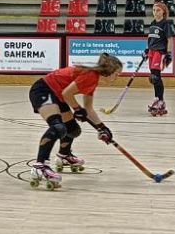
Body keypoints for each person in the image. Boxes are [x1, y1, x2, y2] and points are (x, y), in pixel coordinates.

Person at [27, 53, 123, 188]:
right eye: (117, 74)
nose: (117, 77)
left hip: (57, 95)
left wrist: (102, 128)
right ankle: (39, 166)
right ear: (109, 71)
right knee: (58, 127)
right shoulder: (90, 76)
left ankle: (63, 155)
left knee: (73, 130)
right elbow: (67, 93)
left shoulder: (93, 81)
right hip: (44, 90)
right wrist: (77, 109)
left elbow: (88, 109)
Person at [145, 1, 175, 117]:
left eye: (158, 10)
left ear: (163, 11)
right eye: (153, 10)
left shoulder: (166, 23)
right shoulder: (152, 23)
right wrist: (147, 49)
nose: (155, 12)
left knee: (156, 76)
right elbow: (150, 38)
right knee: (153, 77)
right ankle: (157, 99)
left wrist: (168, 53)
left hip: (160, 52)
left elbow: (170, 39)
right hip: (152, 52)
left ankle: (160, 100)